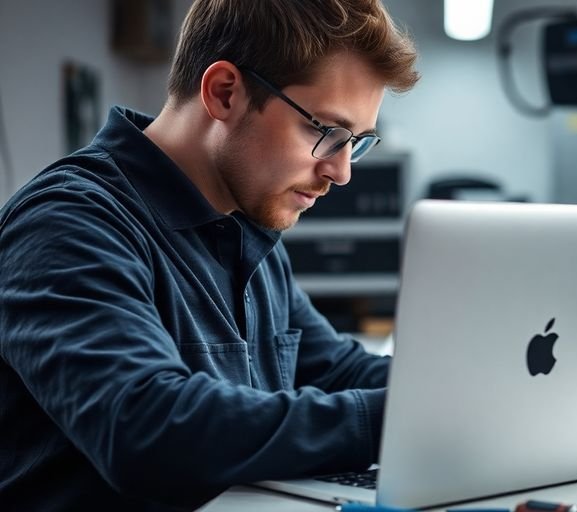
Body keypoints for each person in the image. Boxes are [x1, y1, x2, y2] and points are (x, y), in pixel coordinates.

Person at [0, 0, 419, 509]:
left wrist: (464, 393)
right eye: (327, 132)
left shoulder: (246, 227)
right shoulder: (67, 222)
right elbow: (147, 429)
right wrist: (397, 417)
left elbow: (336, 371)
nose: (342, 172)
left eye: (357, 142)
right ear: (224, 93)